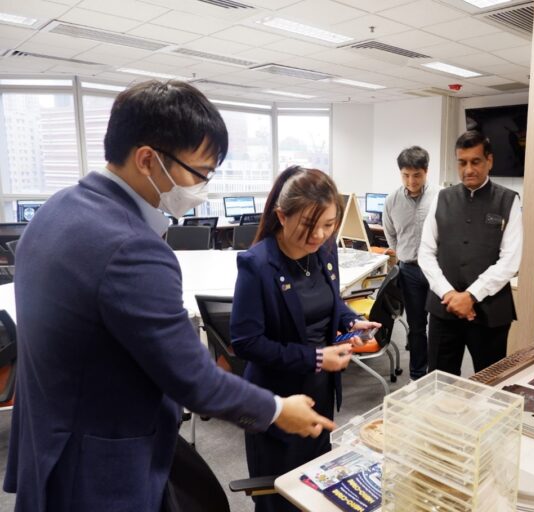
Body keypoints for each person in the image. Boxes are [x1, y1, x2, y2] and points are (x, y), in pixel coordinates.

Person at [3, 80, 334, 512]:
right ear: (147, 159)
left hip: (49, 442)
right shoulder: (131, 247)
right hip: (100, 465)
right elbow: (193, 378)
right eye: (199, 173)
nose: (202, 188)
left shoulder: (57, 209)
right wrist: (276, 410)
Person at [230, 166, 380, 512]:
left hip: (319, 392)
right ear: (282, 216)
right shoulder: (257, 264)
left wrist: (351, 321)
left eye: (329, 225)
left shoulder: (325, 251)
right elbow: (246, 342)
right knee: (278, 496)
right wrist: (316, 357)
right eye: (310, 225)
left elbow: (331, 302)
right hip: (277, 400)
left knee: (314, 488)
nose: (319, 235)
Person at [418, 130, 523, 375]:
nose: (468, 169)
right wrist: (448, 293)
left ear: (489, 161)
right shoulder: (442, 198)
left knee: (489, 382)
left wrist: (471, 296)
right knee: (439, 381)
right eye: (462, 162)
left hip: (490, 313)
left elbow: (510, 260)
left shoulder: (508, 201)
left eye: (475, 162)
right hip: (444, 308)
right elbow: (426, 252)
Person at [382, 146, 438, 381]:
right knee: (416, 327)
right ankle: (417, 375)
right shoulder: (392, 201)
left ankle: (437, 373)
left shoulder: (440, 197)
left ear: (426, 172)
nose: (411, 181)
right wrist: (404, 252)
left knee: (439, 327)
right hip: (409, 271)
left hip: (437, 271)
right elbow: (391, 234)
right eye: (405, 175)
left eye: (417, 175)